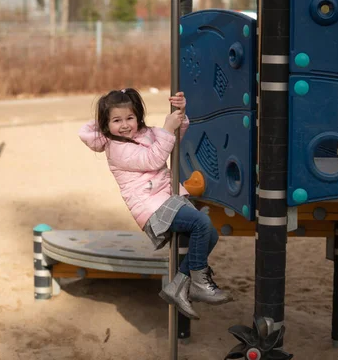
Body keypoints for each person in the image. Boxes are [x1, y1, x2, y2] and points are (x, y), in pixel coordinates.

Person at [78, 88, 233, 320]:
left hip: (166, 199)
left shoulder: (144, 133)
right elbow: (153, 159)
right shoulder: (116, 148)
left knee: (210, 234)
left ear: (138, 116)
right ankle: (199, 283)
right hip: (150, 207)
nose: (124, 125)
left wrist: (180, 113)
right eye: (116, 120)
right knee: (201, 223)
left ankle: (179, 284)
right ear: (105, 124)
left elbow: (172, 139)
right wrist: (167, 129)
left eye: (129, 118)